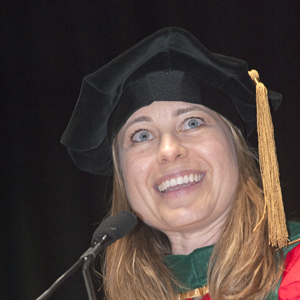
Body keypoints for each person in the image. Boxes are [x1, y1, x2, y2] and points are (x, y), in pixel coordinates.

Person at [61, 27, 300, 300]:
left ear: (235, 146)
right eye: (141, 136)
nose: (169, 149)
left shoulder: (295, 271)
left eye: (192, 122)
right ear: (123, 176)